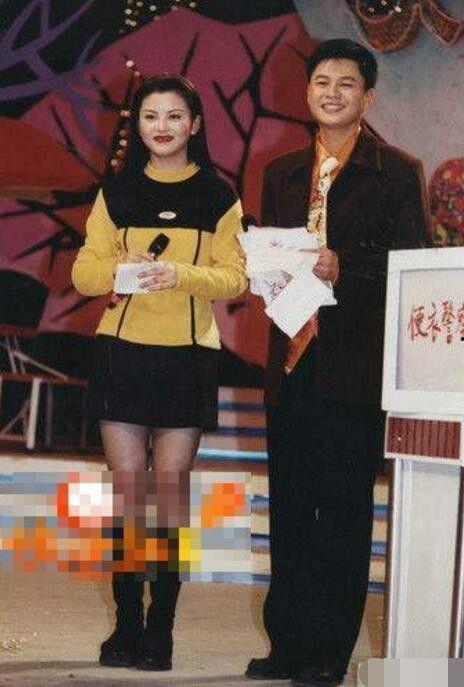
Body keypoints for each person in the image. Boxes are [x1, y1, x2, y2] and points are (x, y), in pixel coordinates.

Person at [246, 39, 431, 687]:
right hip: (291, 361)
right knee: (290, 507)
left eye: (346, 83)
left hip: (352, 365)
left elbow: (412, 266)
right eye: (322, 81)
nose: (332, 93)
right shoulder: (281, 171)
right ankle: (286, 643)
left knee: (344, 511)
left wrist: (342, 265)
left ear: (367, 96)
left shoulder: (397, 171)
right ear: (307, 93)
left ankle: (328, 651)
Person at [72, 74, 247, 671]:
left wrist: (180, 275)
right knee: (128, 497)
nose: (162, 126)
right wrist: (117, 267)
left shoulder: (218, 195)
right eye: (151, 116)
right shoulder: (115, 191)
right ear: (137, 126)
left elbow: (235, 278)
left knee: (167, 500)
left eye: (174, 116)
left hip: (187, 356)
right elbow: (83, 274)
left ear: (194, 125)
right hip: (122, 351)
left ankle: (160, 631)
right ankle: (126, 625)